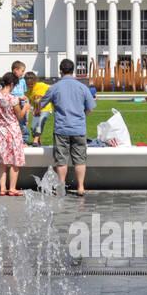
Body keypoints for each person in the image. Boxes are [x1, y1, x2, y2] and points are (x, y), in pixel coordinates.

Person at [39, 58, 96, 196]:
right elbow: (91, 108)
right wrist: (81, 116)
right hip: (78, 128)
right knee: (80, 159)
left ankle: (61, 187)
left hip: (61, 128)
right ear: (73, 70)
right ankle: (81, 187)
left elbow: (41, 103)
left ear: (61, 71)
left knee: (61, 159)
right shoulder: (82, 87)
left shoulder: (55, 87)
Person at [0, 71, 28, 196]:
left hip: (0, 129)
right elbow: (20, 115)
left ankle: (2, 188)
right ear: (12, 84)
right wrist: (26, 107)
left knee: (2, 162)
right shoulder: (13, 99)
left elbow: (2, 98)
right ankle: (12, 188)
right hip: (13, 130)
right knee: (15, 161)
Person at [29, 73, 52, 145]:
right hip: (36, 109)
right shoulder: (26, 90)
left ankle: (35, 141)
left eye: (32, 84)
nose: (30, 86)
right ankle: (38, 140)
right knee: (33, 127)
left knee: (40, 122)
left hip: (46, 108)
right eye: (28, 84)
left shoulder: (42, 85)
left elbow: (53, 88)